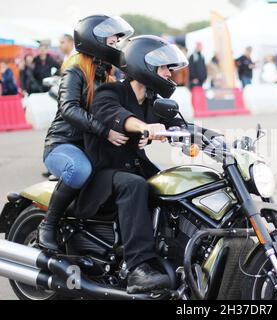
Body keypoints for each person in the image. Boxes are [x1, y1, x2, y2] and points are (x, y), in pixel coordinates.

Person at [78, 35, 188, 293]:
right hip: (102, 175)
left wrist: (214, 139)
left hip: (132, 169)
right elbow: (114, 115)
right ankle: (138, 269)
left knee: (175, 187)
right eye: (162, 67)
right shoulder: (110, 92)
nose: (168, 73)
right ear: (143, 66)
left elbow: (180, 126)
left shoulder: (152, 102)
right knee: (135, 185)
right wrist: (144, 128)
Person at [38, 15, 135, 252]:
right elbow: (69, 108)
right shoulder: (75, 70)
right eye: (112, 38)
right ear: (95, 38)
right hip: (62, 145)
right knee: (80, 170)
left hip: (92, 146)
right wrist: (104, 131)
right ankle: (47, 225)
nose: (116, 42)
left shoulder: (107, 73)